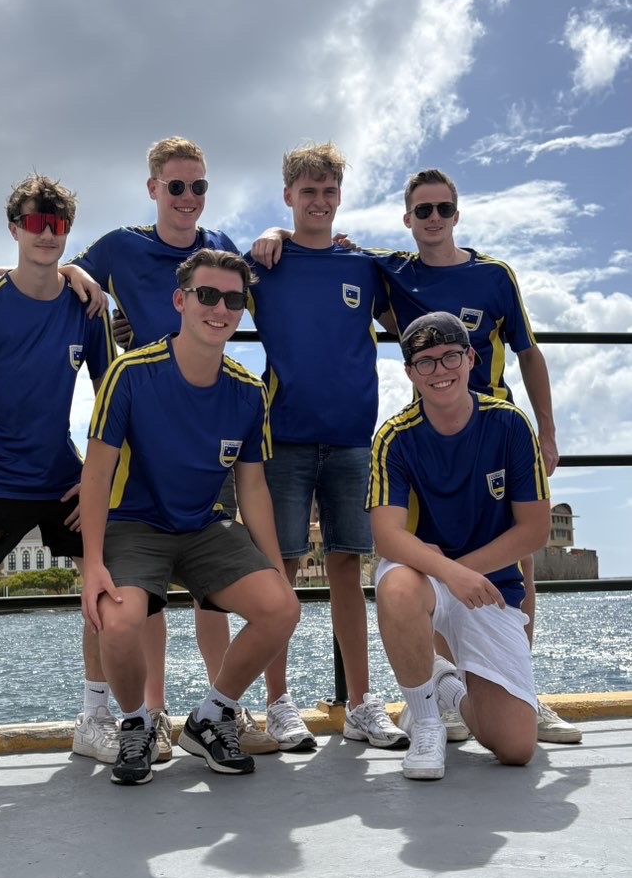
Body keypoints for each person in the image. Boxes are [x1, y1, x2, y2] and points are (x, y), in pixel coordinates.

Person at [73, 137, 280, 755]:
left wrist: (277, 230)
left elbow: (254, 488)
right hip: (142, 461)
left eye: (199, 186)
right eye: (177, 186)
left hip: (206, 461)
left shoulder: (219, 255)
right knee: (132, 606)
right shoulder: (123, 248)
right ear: (154, 189)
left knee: (251, 594)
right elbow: (63, 269)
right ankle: (146, 717)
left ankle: (215, 715)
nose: (188, 197)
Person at [369, 168, 578, 744]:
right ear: (408, 219)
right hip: (431, 431)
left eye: (443, 208)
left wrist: (548, 430)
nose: (433, 218)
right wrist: (276, 235)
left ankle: (520, 688)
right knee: (431, 551)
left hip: (495, 429)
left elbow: (528, 353)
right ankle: (447, 689)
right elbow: (329, 259)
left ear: (457, 214)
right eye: (423, 210)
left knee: (519, 557)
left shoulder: (493, 275)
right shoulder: (392, 273)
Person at [0, 174, 116, 777]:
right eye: (36, 223)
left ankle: (95, 718)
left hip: (63, 475)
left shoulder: (88, 307)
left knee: (103, 583)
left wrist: (96, 478)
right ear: (14, 228)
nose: (47, 234)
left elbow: (112, 398)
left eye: (58, 225)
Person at [246, 143, 403, 752]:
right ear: (288, 196)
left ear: (340, 195)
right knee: (279, 571)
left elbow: (410, 320)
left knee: (348, 569)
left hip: (351, 439)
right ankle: (277, 704)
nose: (318, 201)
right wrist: (270, 233)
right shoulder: (264, 262)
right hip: (282, 437)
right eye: (307, 191)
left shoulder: (364, 267)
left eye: (328, 191)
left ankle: (360, 704)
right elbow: (198, 288)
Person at [367, 312, 551, 780]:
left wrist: (462, 571)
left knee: (516, 747)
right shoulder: (394, 436)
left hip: (488, 584)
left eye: (450, 356)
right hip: (426, 577)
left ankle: (446, 686)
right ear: (410, 372)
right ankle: (426, 722)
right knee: (397, 588)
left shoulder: (510, 424)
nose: (440, 370)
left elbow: (534, 530)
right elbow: (387, 535)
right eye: (425, 362)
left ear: (471, 358)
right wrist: (448, 573)